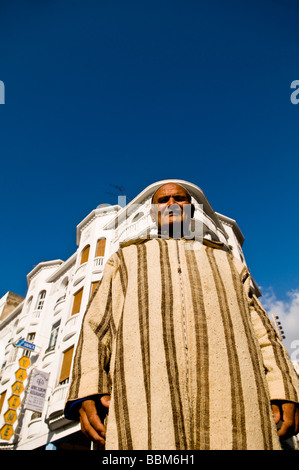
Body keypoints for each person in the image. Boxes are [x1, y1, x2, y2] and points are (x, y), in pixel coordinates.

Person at [64, 182, 299, 450]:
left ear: (191, 210)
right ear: (153, 214)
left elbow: (263, 329)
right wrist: (89, 388)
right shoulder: (125, 259)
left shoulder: (227, 260)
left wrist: (283, 388)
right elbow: (96, 325)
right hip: (145, 408)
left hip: (240, 407)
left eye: (180, 198)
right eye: (164, 200)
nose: (172, 203)